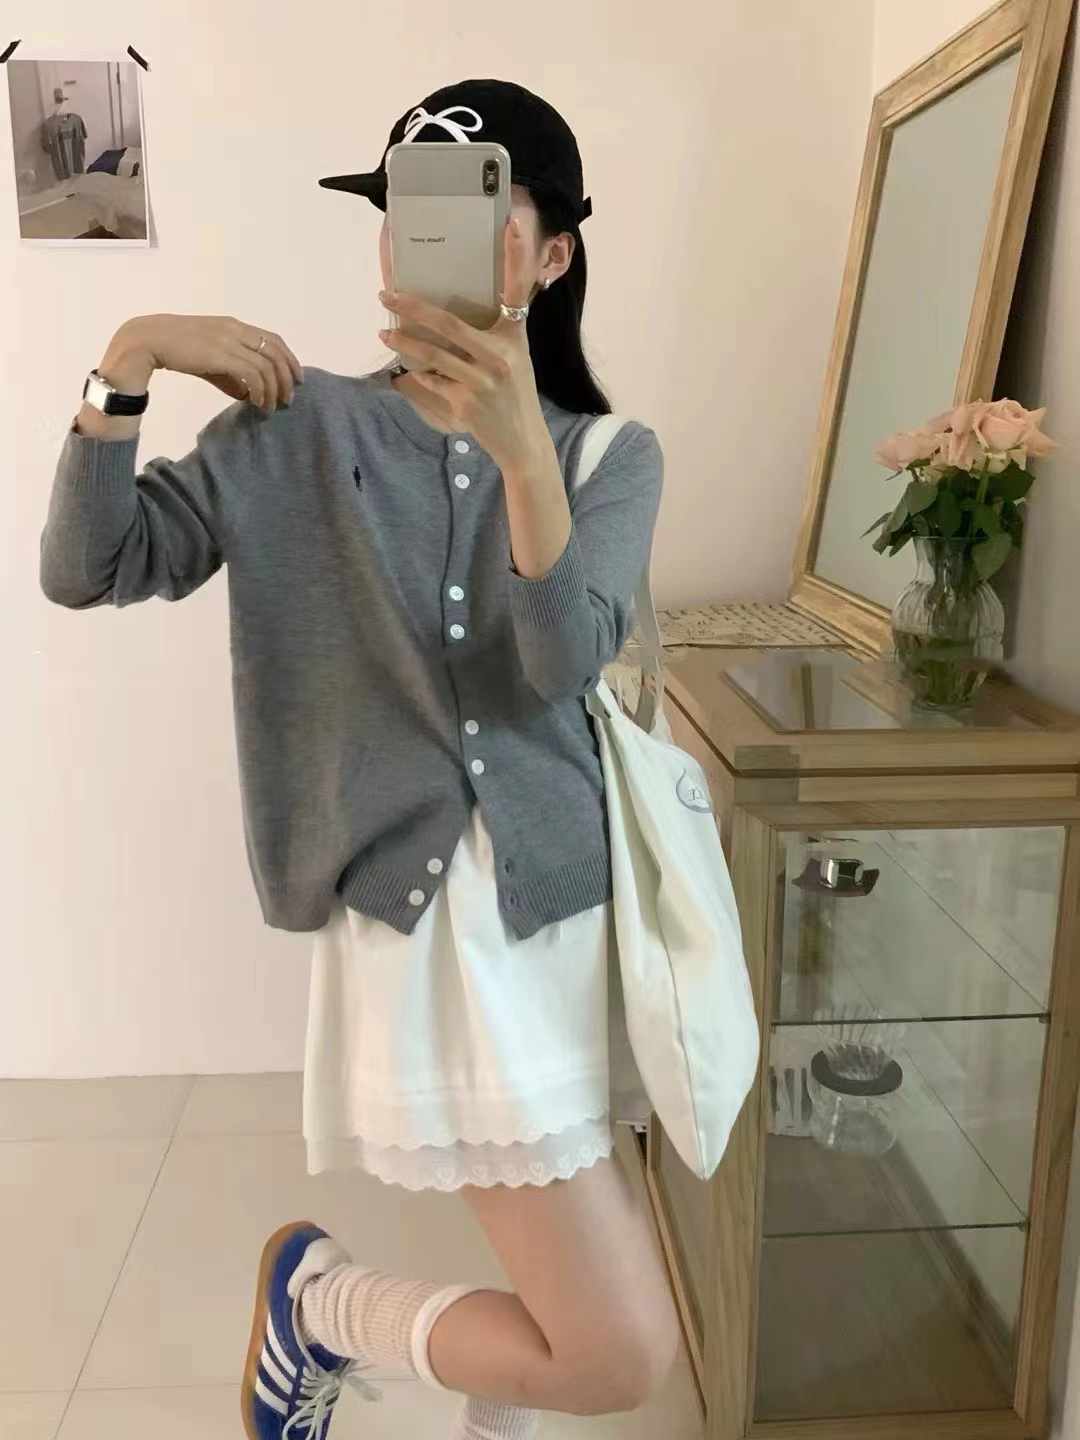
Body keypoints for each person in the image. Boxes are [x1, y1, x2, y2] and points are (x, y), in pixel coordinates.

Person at [39, 77, 679, 1440]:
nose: (419, 231)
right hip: (430, 931)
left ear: (553, 253)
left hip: (572, 914)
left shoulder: (610, 456)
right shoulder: (294, 430)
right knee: (620, 1353)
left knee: (565, 1298)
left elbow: (560, 662)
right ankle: (320, 1309)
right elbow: (86, 566)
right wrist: (127, 362)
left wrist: (524, 456)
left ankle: (435, 1386)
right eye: (403, 206)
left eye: (473, 203)